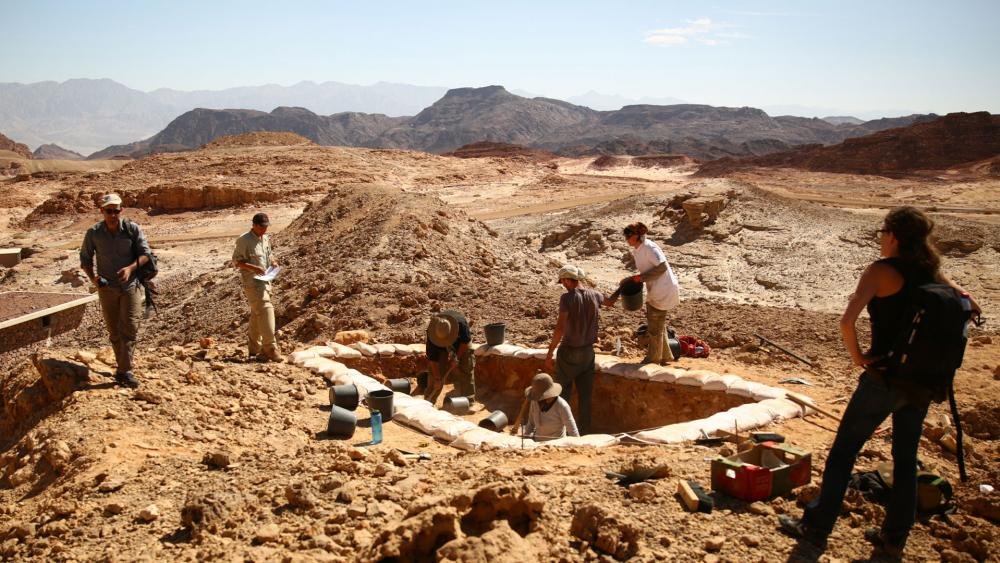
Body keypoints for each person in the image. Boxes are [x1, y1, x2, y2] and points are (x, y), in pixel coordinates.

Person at [778, 207, 981, 558]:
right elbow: (971, 305)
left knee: (844, 452)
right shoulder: (932, 273)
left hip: (883, 380)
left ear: (894, 236)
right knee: (905, 460)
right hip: (920, 386)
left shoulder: (881, 271)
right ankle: (893, 538)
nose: (880, 239)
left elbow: (847, 321)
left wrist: (858, 357)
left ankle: (817, 526)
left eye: (883, 232)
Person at [80, 193, 151, 388]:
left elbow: (146, 254)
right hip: (106, 288)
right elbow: (85, 259)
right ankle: (122, 368)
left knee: (129, 327)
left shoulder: (132, 229)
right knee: (114, 331)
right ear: (102, 211)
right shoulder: (93, 233)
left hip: (130, 286)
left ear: (121, 210)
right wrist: (93, 278)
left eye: (116, 211)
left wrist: (130, 269)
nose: (113, 214)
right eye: (109, 211)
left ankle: (124, 370)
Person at [544, 265, 605, 434]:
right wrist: (624, 286)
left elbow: (560, 327)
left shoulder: (567, 298)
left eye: (563, 281)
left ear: (566, 279)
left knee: (562, 393)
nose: (563, 285)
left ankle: (560, 432)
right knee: (585, 397)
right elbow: (610, 301)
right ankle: (583, 432)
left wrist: (550, 353)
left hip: (569, 352)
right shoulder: (595, 295)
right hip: (588, 353)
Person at [608, 222, 680, 365]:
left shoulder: (649, 248)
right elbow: (647, 270)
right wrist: (634, 278)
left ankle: (653, 359)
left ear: (636, 236)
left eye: (628, 236)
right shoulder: (638, 249)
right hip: (656, 289)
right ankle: (665, 355)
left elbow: (662, 268)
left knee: (655, 327)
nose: (626, 239)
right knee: (658, 324)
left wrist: (639, 278)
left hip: (663, 289)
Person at [233, 212, 281, 362]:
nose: (264, 230)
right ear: (254, 225)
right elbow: (236, 262)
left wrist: (273, 262)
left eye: (266, 227)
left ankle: (254, 349)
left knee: (257, 312)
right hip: (252, 282)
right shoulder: (244, 240)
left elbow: (269, 254)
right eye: (261, 228)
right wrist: (254, 268)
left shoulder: (265, 239)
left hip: (266, 281)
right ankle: (270, 348)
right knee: (266, 307)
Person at [425, 310, 475, 405]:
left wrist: (457, 358)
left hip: (460, 344)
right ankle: (429, 399)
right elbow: (433, 359)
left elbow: (465, 342)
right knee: (435, 372)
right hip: (440, 347)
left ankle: (468, 400)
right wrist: (437, 378)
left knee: (466, 366)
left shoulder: (461, 324)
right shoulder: (432, 333)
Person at [521, 373, 579, 441]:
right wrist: (525, 439)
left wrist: (578, 445)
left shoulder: (562, 406)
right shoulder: (535, 401)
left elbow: (573, 431)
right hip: (537, 443)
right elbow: (531, 423)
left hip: (556, 445)